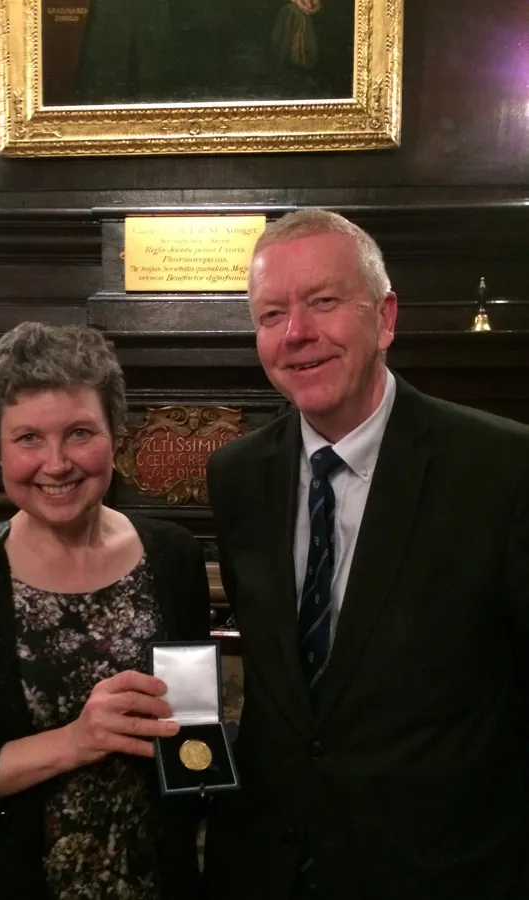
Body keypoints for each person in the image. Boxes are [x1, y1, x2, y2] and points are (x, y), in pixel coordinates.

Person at [204, 209, 529, 900]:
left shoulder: (503, 469)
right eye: (271, 314)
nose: (296, 333)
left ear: (384, 318)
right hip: (268, 868)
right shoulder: (236, 476)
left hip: (438, 872)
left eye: (323, 302)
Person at [0, 322, 210, 900]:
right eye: (28, 438)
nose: (56, 464)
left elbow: (191, 727)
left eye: (79, 433)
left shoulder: (173, 554)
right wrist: (74, 742)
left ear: (115, 437)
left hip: (152, 881)